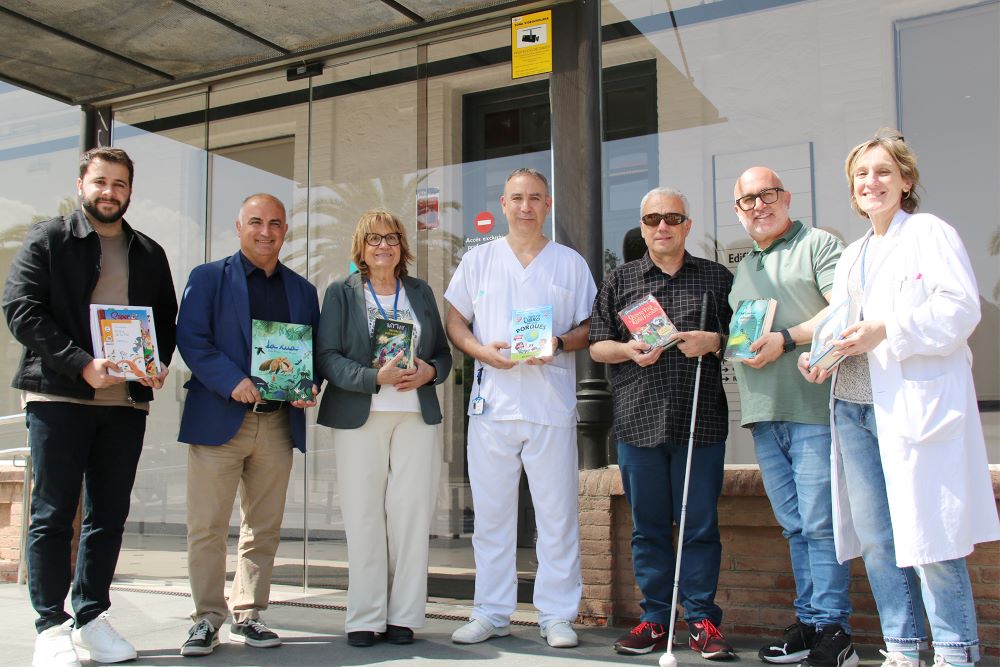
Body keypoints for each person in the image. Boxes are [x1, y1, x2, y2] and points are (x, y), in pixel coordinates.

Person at [798, 130, 1000, 667]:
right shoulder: (854, 253)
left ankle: (955, 653)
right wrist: (821, 356)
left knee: (931, 536)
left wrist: (887, 330)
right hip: (855, 409)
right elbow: (844, 326)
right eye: (861, 175)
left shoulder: (929, 233)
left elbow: (960, 311)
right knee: (880, 541)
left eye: (884, 171)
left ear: (906, 181)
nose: (872, 182)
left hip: (914, 410)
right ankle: (905, 649)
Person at [2, 147, 177, 667]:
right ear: (82, 184)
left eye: (119, 184)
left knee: (110, 514)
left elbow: (164, 322)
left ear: (130, 191)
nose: (109, 192)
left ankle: (92, 616)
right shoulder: (48, 238)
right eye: (100, 182)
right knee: (53, 513)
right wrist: (81, 363)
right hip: (60, 395)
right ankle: (51, 626)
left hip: (125, 402)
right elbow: (21, 310)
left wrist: (156, 363)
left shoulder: (148, 252)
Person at [444, 168, 596, 649]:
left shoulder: (569, 263)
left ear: (547, 205)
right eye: (517, 198)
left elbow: (591, 326)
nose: (526, 206)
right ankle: (491, 611)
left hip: (550, 404)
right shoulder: (478, 260)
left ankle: (556, 614)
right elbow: (455, 319)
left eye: (535, 198)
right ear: (503, 204)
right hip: (493, 406)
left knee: (557, 516)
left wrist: (558, 341)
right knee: (490, 516)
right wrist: (480, 352)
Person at [589, 186, 735, 660]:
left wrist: (714, 341)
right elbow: (596, 345)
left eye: (672, 218)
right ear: (643, 226)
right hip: (638, 421)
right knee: (648, 528)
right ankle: (655, 620)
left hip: (700, 422)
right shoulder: (620, 280)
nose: (662, 227)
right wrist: (628, 350)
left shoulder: (718, 278)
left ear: (687, 225)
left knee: (698, 526)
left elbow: (744, 338)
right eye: (653, 220)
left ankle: (701, 623)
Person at [175, 193, 320, 657]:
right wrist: (231, 380)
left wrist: (308, 384)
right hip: (220, 418)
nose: (266, 231)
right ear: (238, 227)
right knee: (208, 526)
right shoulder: (208, 278)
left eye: (275, 224)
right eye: (256, 222)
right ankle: (206, 619)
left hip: (277, 424)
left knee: (264, 526)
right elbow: (191, 340)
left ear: (284, 231)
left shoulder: (302, 290)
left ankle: (249, 612)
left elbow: (311, 353)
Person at [729, 168, 855, 667]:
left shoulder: (820, 243)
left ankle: (832, 629)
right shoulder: (745, 267)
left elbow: (843, 308)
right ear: (738, 210)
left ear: (786, 197)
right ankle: (808, 623)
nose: (758, 206)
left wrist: (785, 338)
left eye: (767, 195)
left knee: (821, 525)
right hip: (764, 412)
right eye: (747, 200)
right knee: (795, 527)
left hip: (811, 408)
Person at [316, 209, 453, 648]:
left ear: (402, 246)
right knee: (364, 516)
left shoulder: (420, 292)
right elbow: (328, 357)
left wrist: (429, 372)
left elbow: (444, 356)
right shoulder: (341, 292)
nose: (383, 246)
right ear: (361, 246)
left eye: (392, 238)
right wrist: (372, 378)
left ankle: (405, 616)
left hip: (416, 414)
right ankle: (365, 616)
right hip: (361, 413)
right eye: (374, 239)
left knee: (411, 515)